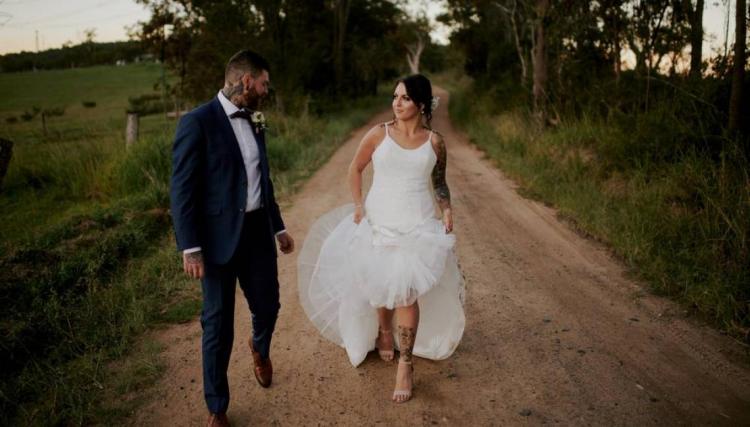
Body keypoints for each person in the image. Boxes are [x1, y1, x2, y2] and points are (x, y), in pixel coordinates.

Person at [297, 74, 465, 404]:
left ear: (420, 103)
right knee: (378, 285)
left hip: (416, 225)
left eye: (403, 98)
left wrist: (446, 209)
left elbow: (440, 184)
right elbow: (355, 169)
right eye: (394, 97)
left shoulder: (435, 143)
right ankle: (384, 331)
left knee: (405, 293)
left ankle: (406, 364)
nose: (396, 103)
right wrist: (359, 205)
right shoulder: (379, 134)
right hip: (379, 220)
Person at [169, 49, 295, 427]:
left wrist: (278, 225)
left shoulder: (256, 120)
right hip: (215, 243)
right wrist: (190, 247)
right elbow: (182, 189)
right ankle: (217, 408)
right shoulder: (197, 122)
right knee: (217, 324)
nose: (267, 89)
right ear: (246, 81)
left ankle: (259, 346)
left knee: (269, 306)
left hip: (257, 234)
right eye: (264, 83)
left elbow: (262, 179)